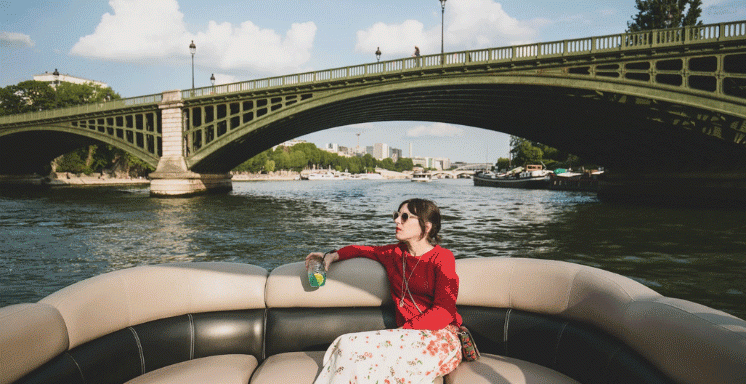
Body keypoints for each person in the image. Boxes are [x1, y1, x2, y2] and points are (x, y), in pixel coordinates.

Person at [306, 198, 462, 384]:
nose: (397, 221)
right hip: (406, 338)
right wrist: (330, 255)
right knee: (348, 347)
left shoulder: (442, 258)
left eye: (405, 217)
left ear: (426, 227)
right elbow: (361, 250)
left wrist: (402, 331)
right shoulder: (394, 254)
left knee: (349, 344)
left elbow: (443, 312)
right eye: (396, 215)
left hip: (439, 338)